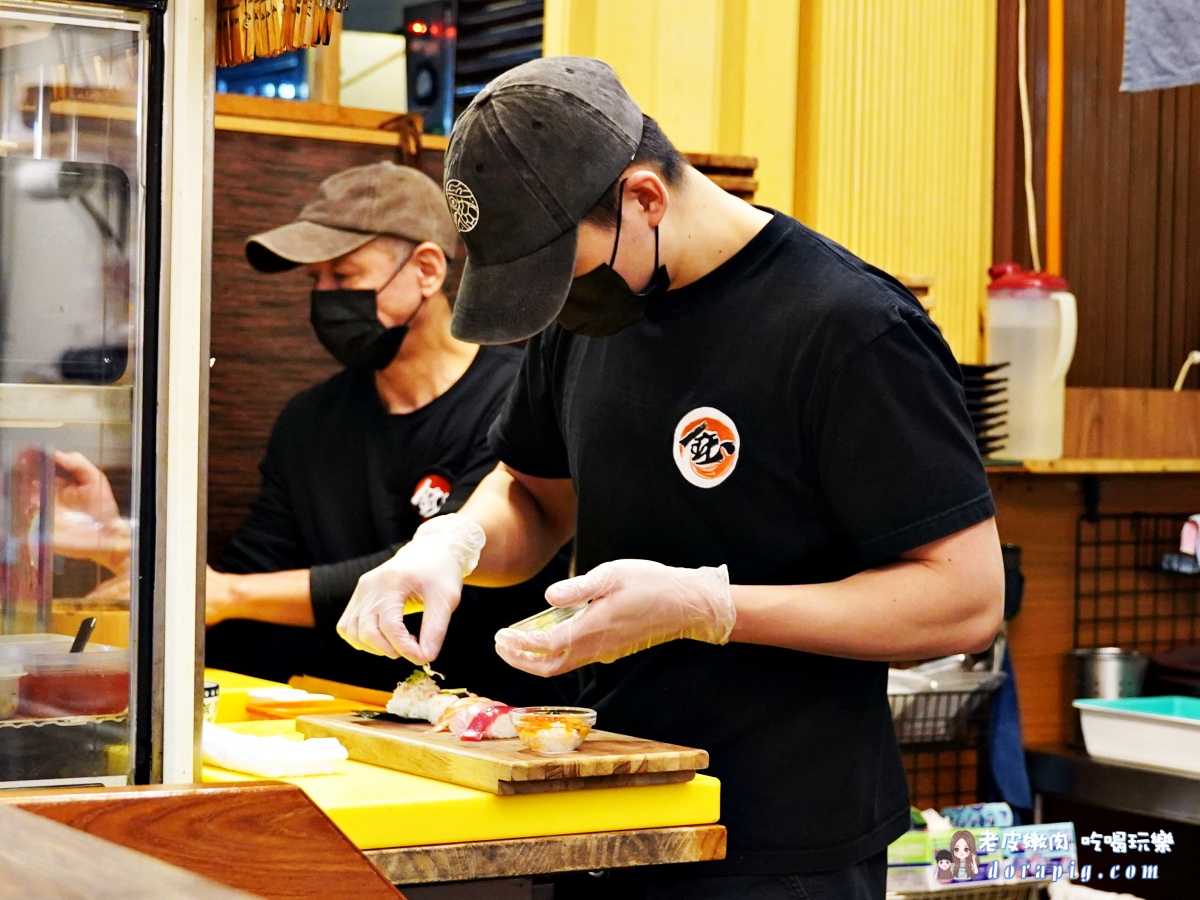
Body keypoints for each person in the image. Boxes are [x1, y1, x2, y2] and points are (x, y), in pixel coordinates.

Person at [337, 58, 1004, 899]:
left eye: (564, 270)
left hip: (779, 841)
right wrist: (454, 542)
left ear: (645, 199)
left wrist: (707, 608)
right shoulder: (587, 313)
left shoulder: (848, 328)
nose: (560, 300)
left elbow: (966, 598)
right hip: (603, 807)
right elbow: (536, 496)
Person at [58, 161, 567, 703]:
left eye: (343, 276)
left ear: (426, 270)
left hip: (494, 718)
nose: (325, 297)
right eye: (314, 280)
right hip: (343, 714)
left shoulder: (517, 402)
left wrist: (226, 594)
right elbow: (250, 581)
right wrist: (121, 547)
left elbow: (437, 567)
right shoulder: (310, 420)